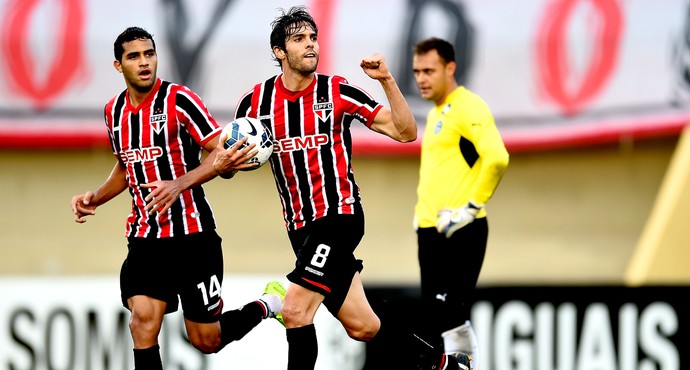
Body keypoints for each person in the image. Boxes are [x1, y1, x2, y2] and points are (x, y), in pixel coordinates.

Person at [213, 6, 472, 370]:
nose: (311, 45)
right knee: (362, 326)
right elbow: (226, 164)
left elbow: (406, 131)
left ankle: (273, 308)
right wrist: (227, 165)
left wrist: (386, 80)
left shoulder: (336, 91)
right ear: (279, 52)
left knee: (295, 310)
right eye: (299, 39)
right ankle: (445, 363)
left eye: (314, 38)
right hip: (299, 229)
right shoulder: (255, 104)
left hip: (339, 217)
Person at [70, 26, 285, 370]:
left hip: (193, 238)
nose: (144, 63)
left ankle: (269, 303)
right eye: (134, 56)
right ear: (117, 65)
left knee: (206, 340)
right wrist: (95, 197)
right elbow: (126, 167)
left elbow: (221, 152)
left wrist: (179, 184)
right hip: (145, 239)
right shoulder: (114, 112)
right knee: (142, 322)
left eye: (149, 54)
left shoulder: (179, 99)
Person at [412, 37, 510, 369]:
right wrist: (420, 214)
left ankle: (462, 366)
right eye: (416, 71)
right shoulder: (437, 112)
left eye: (429, 70)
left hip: (461, 230)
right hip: (430, 230)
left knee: (447, 314)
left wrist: (470, 209)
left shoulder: (468, 106)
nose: (421, 79)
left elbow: (497, 158)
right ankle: (459, 366)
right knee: (435, 319)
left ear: (450, 68)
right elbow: (440, 172)